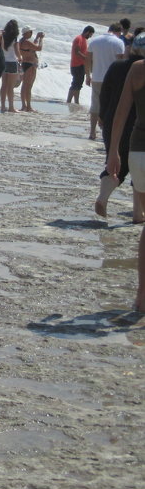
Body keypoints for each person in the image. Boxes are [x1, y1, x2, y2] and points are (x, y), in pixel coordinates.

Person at [105, 56, 145, 313]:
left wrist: (113, 152)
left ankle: (142, 295)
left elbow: (121, 111)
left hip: (139, 152)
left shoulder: (138, 68)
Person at [97, 33, 145, 222]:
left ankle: (102, 197)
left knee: (117, 167)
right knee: (137, 177)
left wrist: (101, 116)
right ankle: (137, 213)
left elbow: (105, 94)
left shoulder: (119, 67)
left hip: (116, 126)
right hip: (136, 126)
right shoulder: (136, 69)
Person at [86, 24, 126, 139]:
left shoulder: (95, 41)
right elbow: (120, 61)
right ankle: (107, 132)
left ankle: (92, 132)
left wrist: (88, 75)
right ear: (118, 31)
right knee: (111, 105)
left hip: (97, 77)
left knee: (95, 104)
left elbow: (88, 58)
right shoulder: (118, 42)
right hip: (112, 79)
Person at [18, 28, 43, 112]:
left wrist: (37, 38)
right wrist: (41, 39)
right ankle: (28, 106)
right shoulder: (27, 42)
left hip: (25, 63)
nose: (32, 33)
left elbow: (33, 46)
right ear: (27, 33)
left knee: (24, 85)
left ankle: (24, 105)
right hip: (30, 65)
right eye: (30, 32)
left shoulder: (22, 41)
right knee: (28, 86)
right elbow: (39, 48)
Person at [68, 26, 94, 104]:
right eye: (90, 35)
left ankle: (76, 102)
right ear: (87, 32)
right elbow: (77, 51)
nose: (90, 37)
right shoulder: (78, 39)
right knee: (75, 84)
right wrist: (86, 58)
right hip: (76, 65)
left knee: (79, 84)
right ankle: (68, 101)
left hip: (81, 65)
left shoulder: (83, 39)